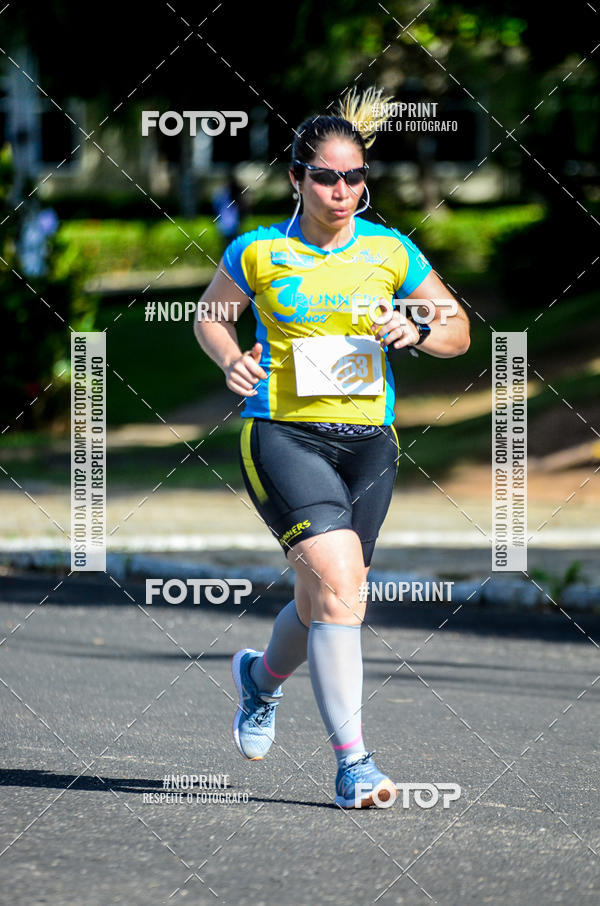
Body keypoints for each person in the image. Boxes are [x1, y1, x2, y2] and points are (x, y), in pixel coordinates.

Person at [194, 85, 470, 809]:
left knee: (329, 598)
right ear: (296, 179)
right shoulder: (259, 250)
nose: (342, 190)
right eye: (326, 176)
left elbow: (458, 331)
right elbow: (211, 317)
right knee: (341, 580)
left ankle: (259, 680)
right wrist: (229, 358)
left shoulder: (391, 249)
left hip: (368, 445)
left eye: (354, 177)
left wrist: (416, 332)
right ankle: (356, 768)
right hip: (282, 434)